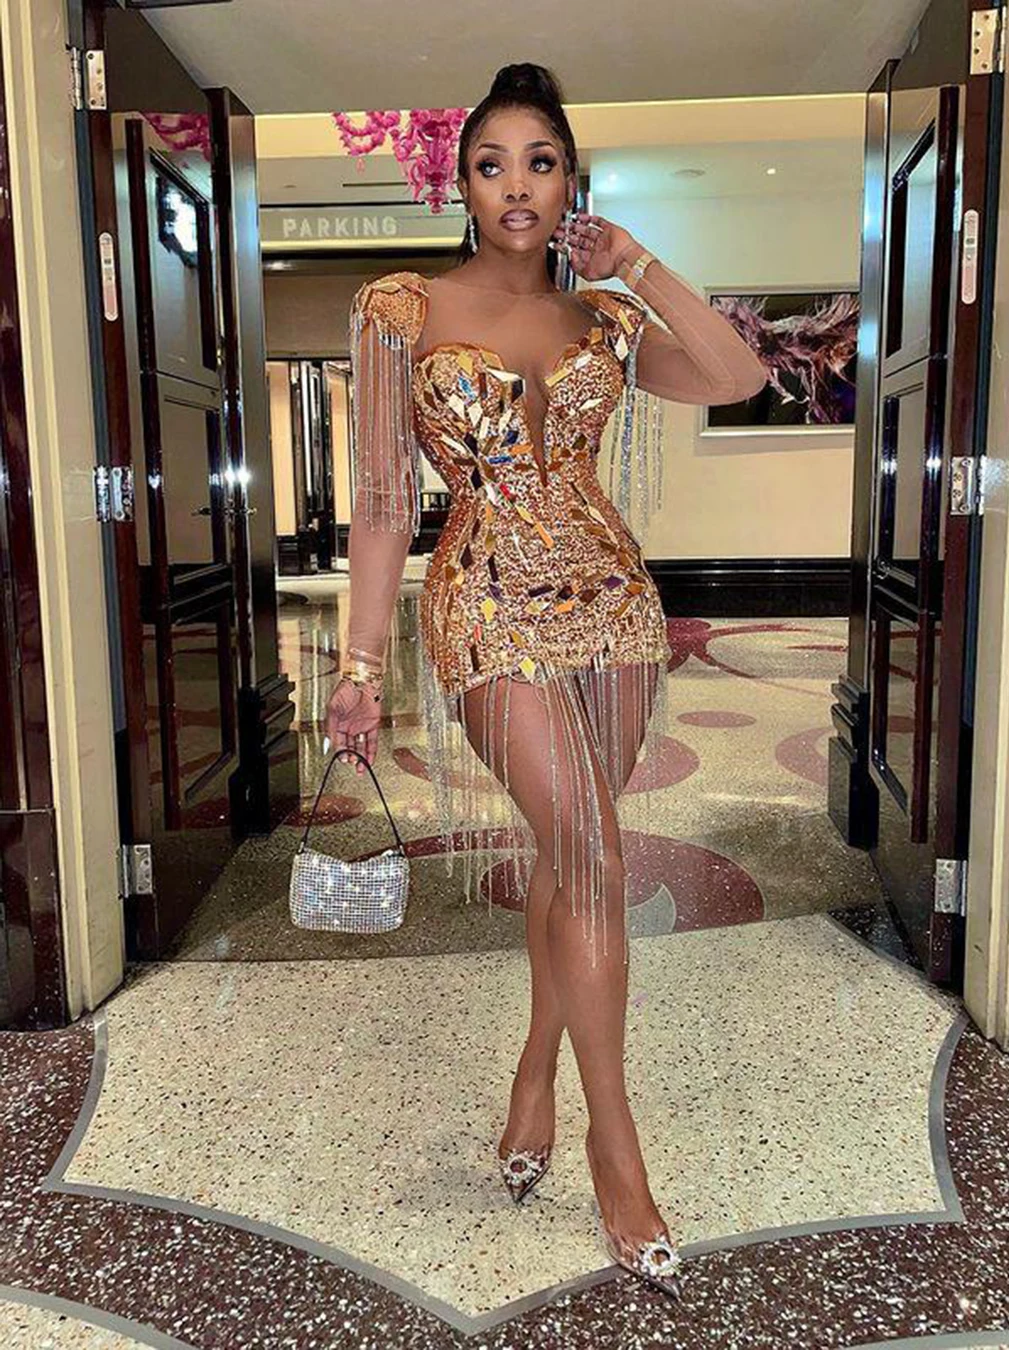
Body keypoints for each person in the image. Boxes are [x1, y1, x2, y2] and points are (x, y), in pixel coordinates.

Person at [324, 62, 767, 1300]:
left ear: (572, 181)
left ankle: (534, 1066)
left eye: (541, 162)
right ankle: (616, 1149)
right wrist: (358, 661)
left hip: (613, 610)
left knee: (577, 856)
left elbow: (737, 375)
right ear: (460, 185)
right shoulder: (399, 307)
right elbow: (380, 499)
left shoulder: (606, 321)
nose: (516, 185)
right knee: (594, 852)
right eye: (490, 164)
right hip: (482, 605)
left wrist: (639, 267)